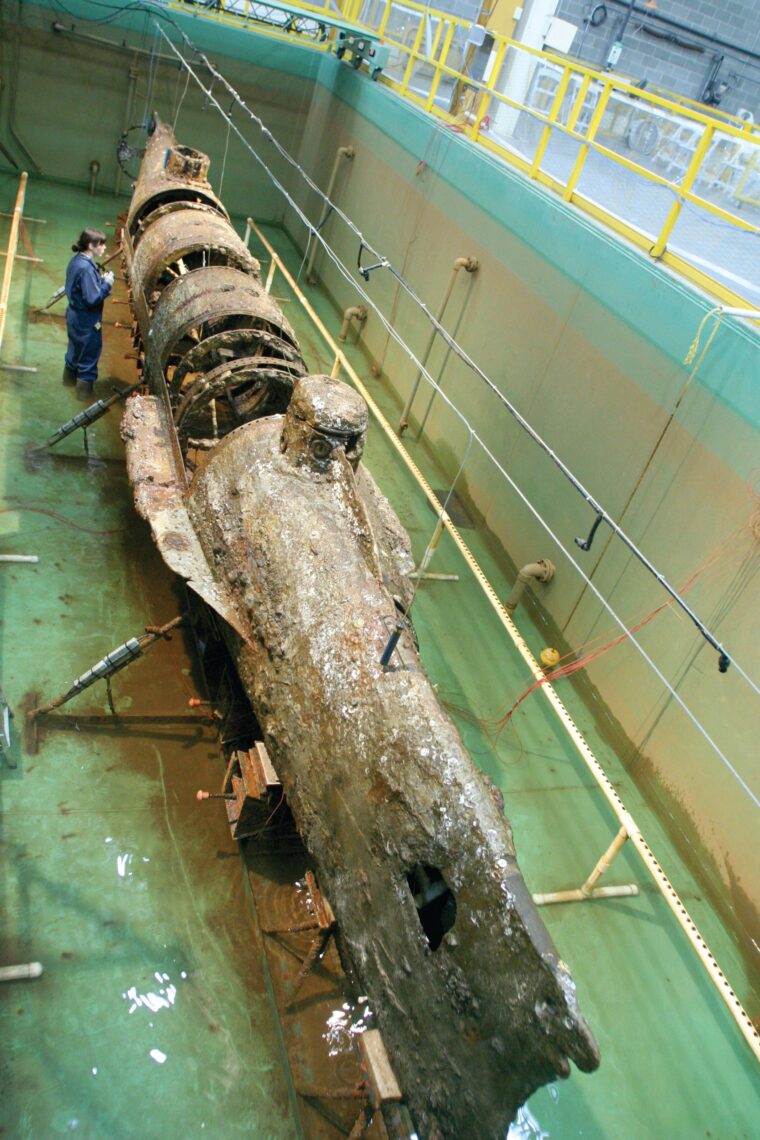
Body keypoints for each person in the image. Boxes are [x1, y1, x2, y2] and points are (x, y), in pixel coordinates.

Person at [62, 229, 114, 401]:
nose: (105, 248)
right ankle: (84, 401)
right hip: (87, 320)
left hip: (73, 315)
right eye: (102, 244)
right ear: (91, 246)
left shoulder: (76, 260)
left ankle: (67, 387)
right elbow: (92, 299)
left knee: (73, 354)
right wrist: (107, 284)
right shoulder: (86, 268)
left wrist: (99, 280)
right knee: (89, 359)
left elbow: (82, 287)